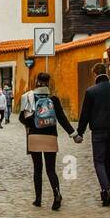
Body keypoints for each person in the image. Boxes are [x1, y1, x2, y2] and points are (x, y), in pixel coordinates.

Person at [74, 62, 110, 206]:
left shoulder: (91, 92)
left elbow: (84, 114)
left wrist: (80, 132)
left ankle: (105, 189)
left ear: (95, 74)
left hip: (98, 132)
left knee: (99, 161)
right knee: (109, 160)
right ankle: (107, 189)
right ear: (105, 72)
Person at [19, 71, 74, 210]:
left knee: (37, 169)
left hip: (34, 136)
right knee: (51, 169)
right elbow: (62, 118)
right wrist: (73, 133)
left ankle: (38, 199)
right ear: (48, 83)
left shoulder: (29, 97)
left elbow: (21, 118)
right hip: (51, 136)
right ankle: (57, 194)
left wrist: (30, 125)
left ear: (37, 82)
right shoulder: (54, 99)